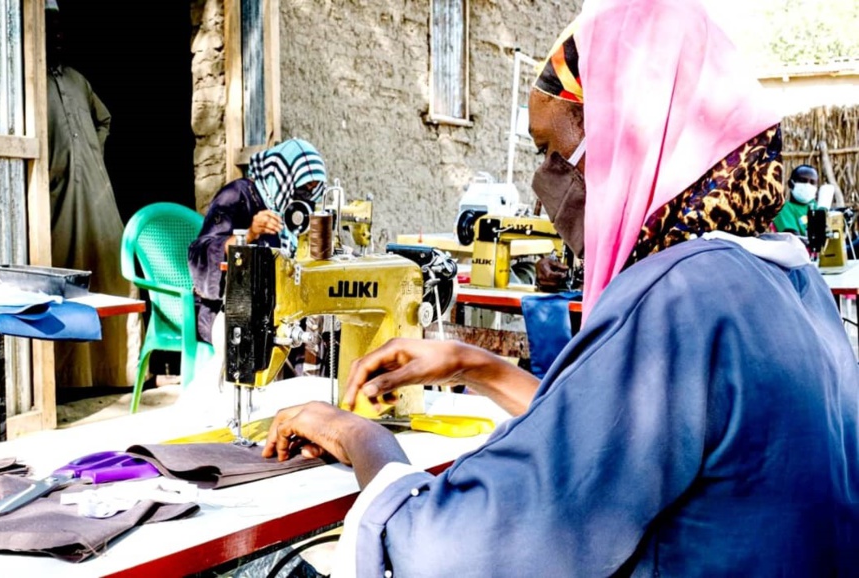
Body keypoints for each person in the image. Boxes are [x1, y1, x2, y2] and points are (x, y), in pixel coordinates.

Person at [262, 0, 859, 575]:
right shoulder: (787, 277)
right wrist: (479, 365)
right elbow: (629, 439)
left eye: (551, 150)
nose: (546, 186)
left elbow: (460, 551)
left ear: (628, 132)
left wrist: (356, 435)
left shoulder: (678, 301)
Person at [46, 1, 134, 388]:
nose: (58, 36)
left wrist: (90, 154)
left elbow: (104, 118)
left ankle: (114, 374)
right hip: (55, 199)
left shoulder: (77, 80)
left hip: (97, 195)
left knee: (110, 275)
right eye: (51, 27)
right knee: (64, 283)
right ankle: (67, 381)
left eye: (61, 28)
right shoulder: (27, 84)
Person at [188, 138, 327, 346]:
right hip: (223, 311)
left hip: (273, 307)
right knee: (269, 341)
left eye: (311, 189)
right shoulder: (236, 195)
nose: (305, 195)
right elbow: (200, 252)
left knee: (321, 335)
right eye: (302, 186)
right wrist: (250, 234)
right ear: (283, 177)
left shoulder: (292, 212)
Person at [773, 164, 819, 237]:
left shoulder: (815, 206)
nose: (807, 185)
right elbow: (792, 238)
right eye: (803, 181)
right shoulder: (783, 209)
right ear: (791, 184)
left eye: (812, 182)